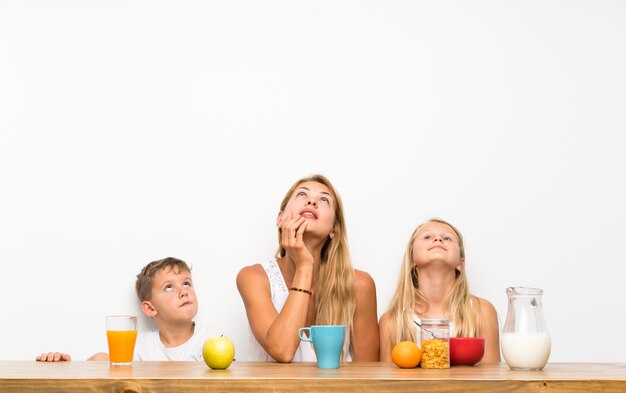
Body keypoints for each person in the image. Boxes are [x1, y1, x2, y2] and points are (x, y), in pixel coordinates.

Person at [237, 174, 379, 362]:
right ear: (280, 219)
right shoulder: (253, 277)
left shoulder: (359, 285)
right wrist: (305, 266)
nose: (312, 201)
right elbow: (282, 350)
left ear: (333, 230)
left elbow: (367, 376)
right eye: (302, 195)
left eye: (324, 199)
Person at [36, 257, 220, 362]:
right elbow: (103, 366)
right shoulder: (138, 346)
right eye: (169, 287)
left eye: (187, 284)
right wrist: (67, 369)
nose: (183, 292)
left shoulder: (211, 339)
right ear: (150, 308)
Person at [378, 218, 500, 362]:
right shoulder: (392, 321)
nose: (438, 239)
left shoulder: (482, 312)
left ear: (461, 263)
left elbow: (493, 380)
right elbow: (385, 382)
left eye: (447, 238)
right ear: (412, 260)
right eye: (428, 237)